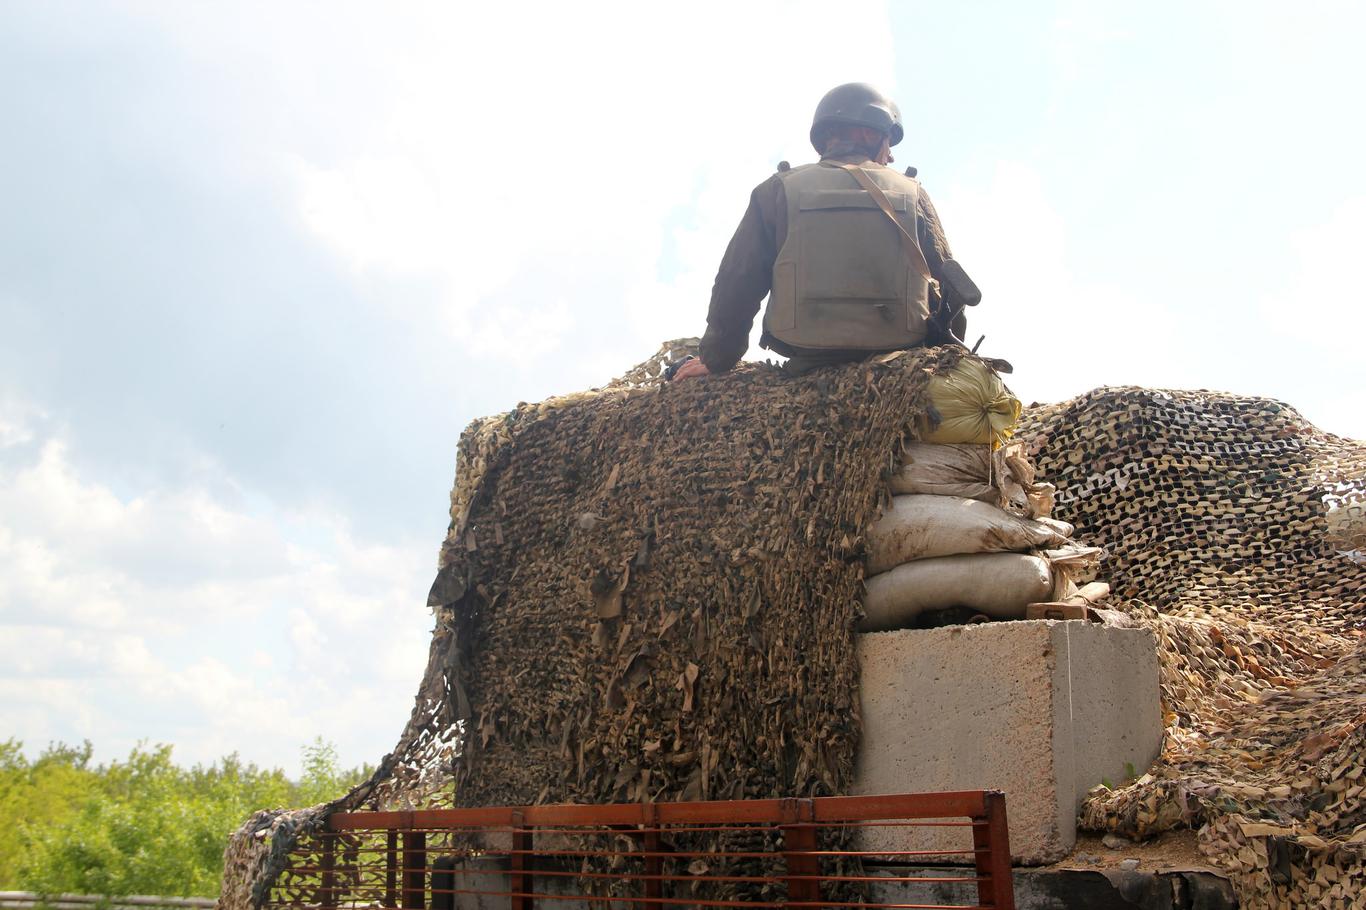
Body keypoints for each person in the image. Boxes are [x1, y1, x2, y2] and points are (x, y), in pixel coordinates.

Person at [673, 83, 967, 381]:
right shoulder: (913, 194)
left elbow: (738, 280)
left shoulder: (777, 190)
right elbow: (951, 284)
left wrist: (718, 358)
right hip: (899, 361)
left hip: (806, 358)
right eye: (888, 140)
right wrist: (946, 357)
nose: (890, 155)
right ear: (868, 133)